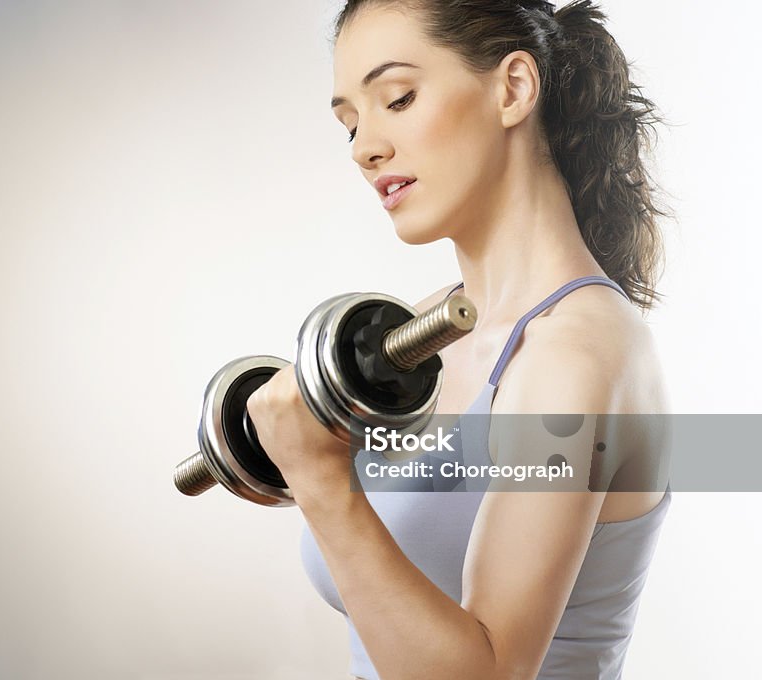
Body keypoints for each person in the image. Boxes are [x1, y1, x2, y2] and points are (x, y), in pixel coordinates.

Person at [245, 1, 672, 678]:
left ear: (513, 89)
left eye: (399, 98)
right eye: (350, 123)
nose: (364, 148)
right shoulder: (420, 331)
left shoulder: (576, 353)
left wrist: (323, 483)